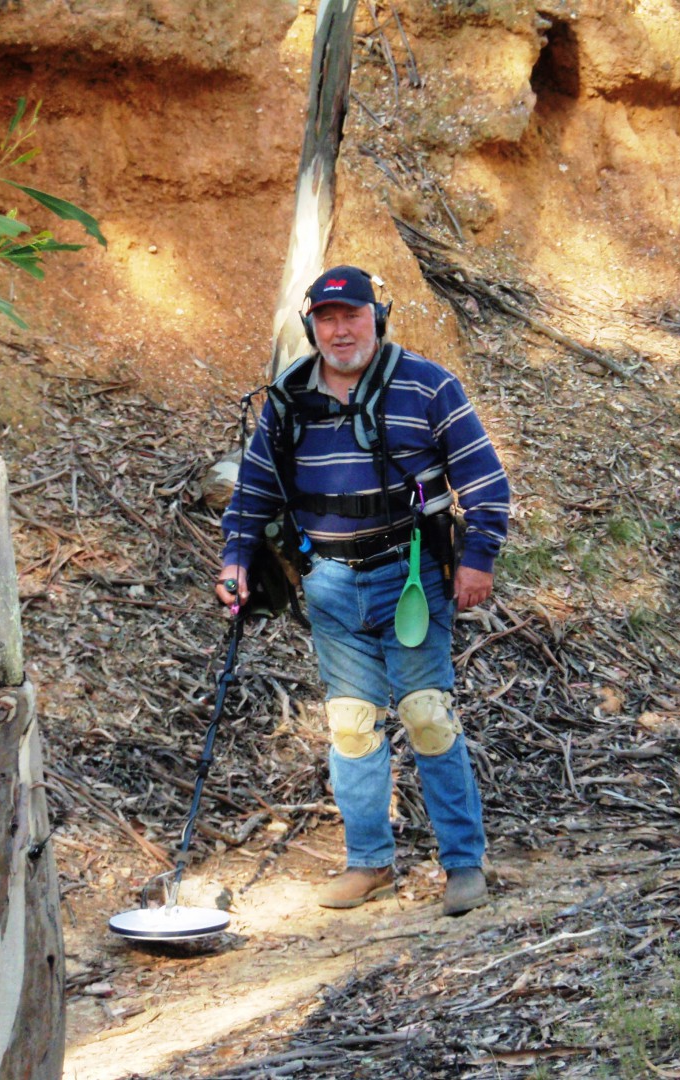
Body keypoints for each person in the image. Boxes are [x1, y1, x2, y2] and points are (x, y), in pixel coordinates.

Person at [216, 265, 511, 916]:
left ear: (376, 318)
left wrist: (478, 558)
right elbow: (254, 490)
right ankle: (370, 862)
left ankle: (464, 864)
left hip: (411, 575)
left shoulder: (428, 385)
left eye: (352, 315)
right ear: (311, 328)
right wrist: (236, 560)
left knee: (427, 714)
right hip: (328, 582)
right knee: (351, 726)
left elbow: (485, 478)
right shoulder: (288, 399)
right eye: (327, 319)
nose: (341, 330)